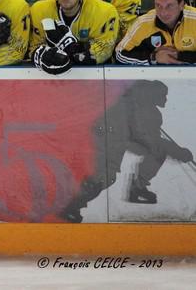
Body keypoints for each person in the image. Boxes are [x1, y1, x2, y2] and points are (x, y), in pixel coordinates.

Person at [60, 80, 193, 223]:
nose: (165, 99)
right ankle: (71, 207)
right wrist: (180, 153)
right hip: (110, 136)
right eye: (163, 95)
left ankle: (137, 188)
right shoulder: (137, 108)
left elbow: (151, 140)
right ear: (153, 94)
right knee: (105, 175)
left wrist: (174, 150)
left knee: (158, 152)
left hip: (124, 136)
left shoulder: (148, 109)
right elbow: (150, 140)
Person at [30, 0, 120, 75]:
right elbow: (34, 46)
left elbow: (104, 51)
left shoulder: (103, 11)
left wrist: (71, 49)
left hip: (93, 78)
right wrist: (42, 55)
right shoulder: (40, 10)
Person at [115, 0, 196, 65]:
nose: (163, 12)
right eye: (158, 6)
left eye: (169, 6)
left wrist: (179, 56)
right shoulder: (143, 23)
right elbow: (119, 55)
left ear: (182, 5)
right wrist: (153, 57)